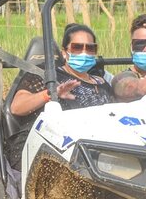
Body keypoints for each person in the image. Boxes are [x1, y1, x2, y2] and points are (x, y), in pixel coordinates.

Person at [6, 23, 113, 170]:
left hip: (96, 151)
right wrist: (51, 93)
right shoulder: (46, 76)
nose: (84, 53)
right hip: (45, 147)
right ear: (64, 52)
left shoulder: (102, 83)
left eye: (90, 48)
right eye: (77, 47)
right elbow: (17, 107)